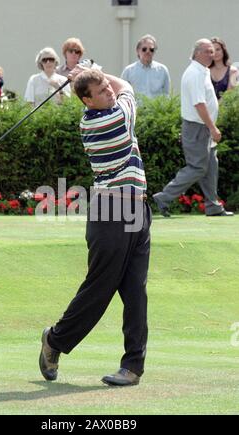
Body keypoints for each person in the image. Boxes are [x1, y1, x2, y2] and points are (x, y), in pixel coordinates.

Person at [39, 67, 152, 387]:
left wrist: (91, 74)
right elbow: (126, 85)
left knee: (135, 292)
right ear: (87, 101)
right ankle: (54, 340)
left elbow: (116, 88)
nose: (109, 91)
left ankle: (132, 366)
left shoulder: (104, 108)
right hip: (111, 214)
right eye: (100, 91)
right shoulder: (109, 120)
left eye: (106, 87)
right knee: (99, 290)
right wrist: (95, 70)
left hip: (137, 209)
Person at [153, 39, 234, 217]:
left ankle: (212, 206)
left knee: (211, 165)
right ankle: (164, 197)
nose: (211, 55)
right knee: (197, 167)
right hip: (198, 128)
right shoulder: (194, 73)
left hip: (202, 127)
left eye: (212, 51)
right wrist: (213, 128)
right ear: (197, 53)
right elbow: (199, 104)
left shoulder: (202, 71)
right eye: (207, 51)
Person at [121, 34, 171, 100]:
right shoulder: (128, 71)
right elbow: (122, 93)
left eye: (151, 49)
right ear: (138, 51)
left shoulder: (163, 70)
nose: (148, 52)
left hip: (156, 109)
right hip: (136, 109)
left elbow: (166, 95)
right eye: (144, 49)